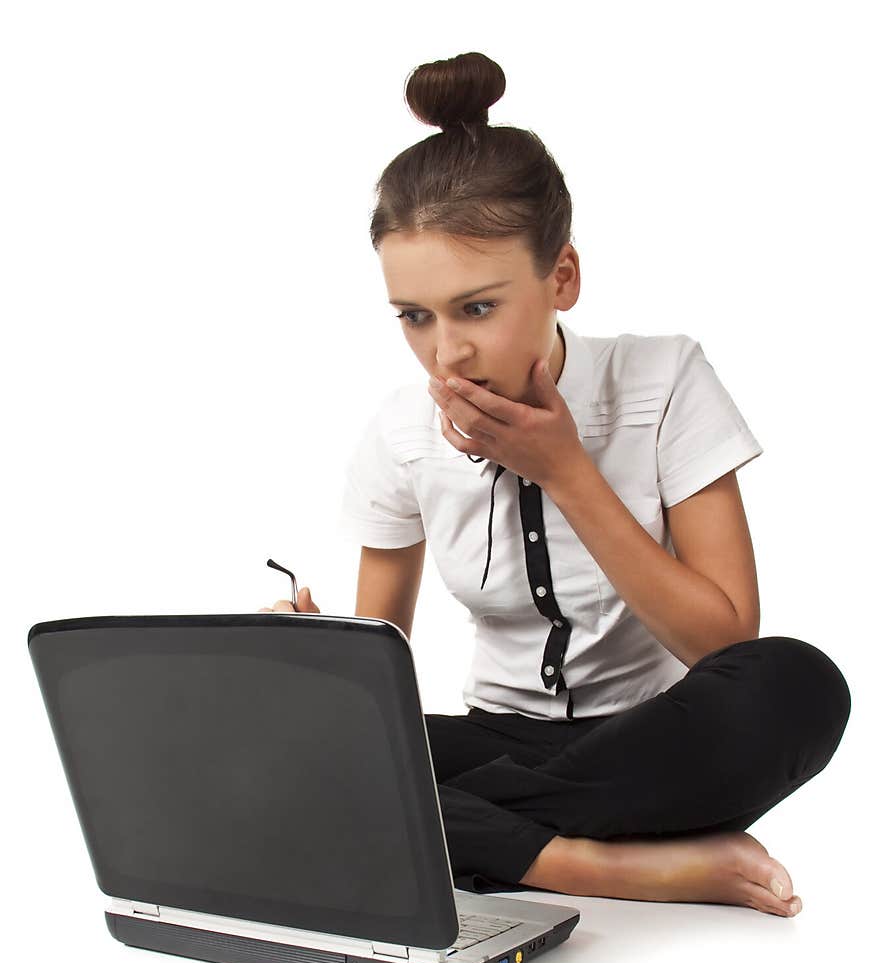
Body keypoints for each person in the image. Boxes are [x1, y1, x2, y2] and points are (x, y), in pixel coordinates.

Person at [259, 52, 851, 918]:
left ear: (561, 277)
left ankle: (465, 840)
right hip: (497, 739)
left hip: (653, 742)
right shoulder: (398, 433)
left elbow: (723, 645)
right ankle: (616, 865)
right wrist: (318, 666)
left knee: (797, 684)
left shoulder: (666, 380)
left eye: (477, 308)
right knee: (283, 751)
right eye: (415, 318)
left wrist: (566, 471)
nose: (447, 353)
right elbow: (375, 687)